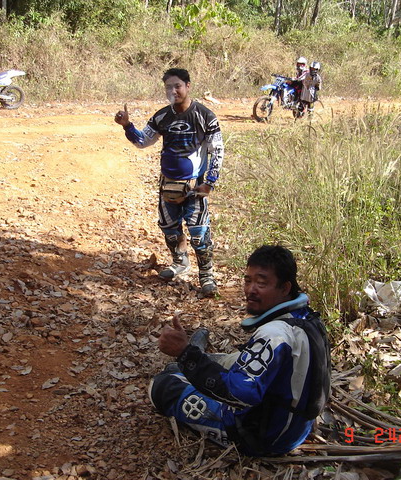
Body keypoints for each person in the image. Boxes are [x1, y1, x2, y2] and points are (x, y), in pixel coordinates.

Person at [148, 245, 331, 456]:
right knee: (204, 364)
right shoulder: (307, 317)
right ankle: (189, 360)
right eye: (248, 280)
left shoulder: (274, 335)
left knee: (161, 385)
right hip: (296, 425)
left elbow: (237, 394)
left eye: (261, 283)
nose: (251, 289)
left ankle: (184, 364)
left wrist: (183, 353)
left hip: (264, 437)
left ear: (285, 288)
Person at [114, 68, 224, 297]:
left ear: (188, 86)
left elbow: (218, 150)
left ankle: (207, 275)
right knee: (169, 229)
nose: (173, 91)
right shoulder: (161, 116)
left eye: (177, 86)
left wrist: (210, 182)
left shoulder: (205, 116)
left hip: (195, 186)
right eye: (168, 87)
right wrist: (127, 126)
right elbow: (143, 141)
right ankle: (180, 262)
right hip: (168, 185)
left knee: (199, 232)